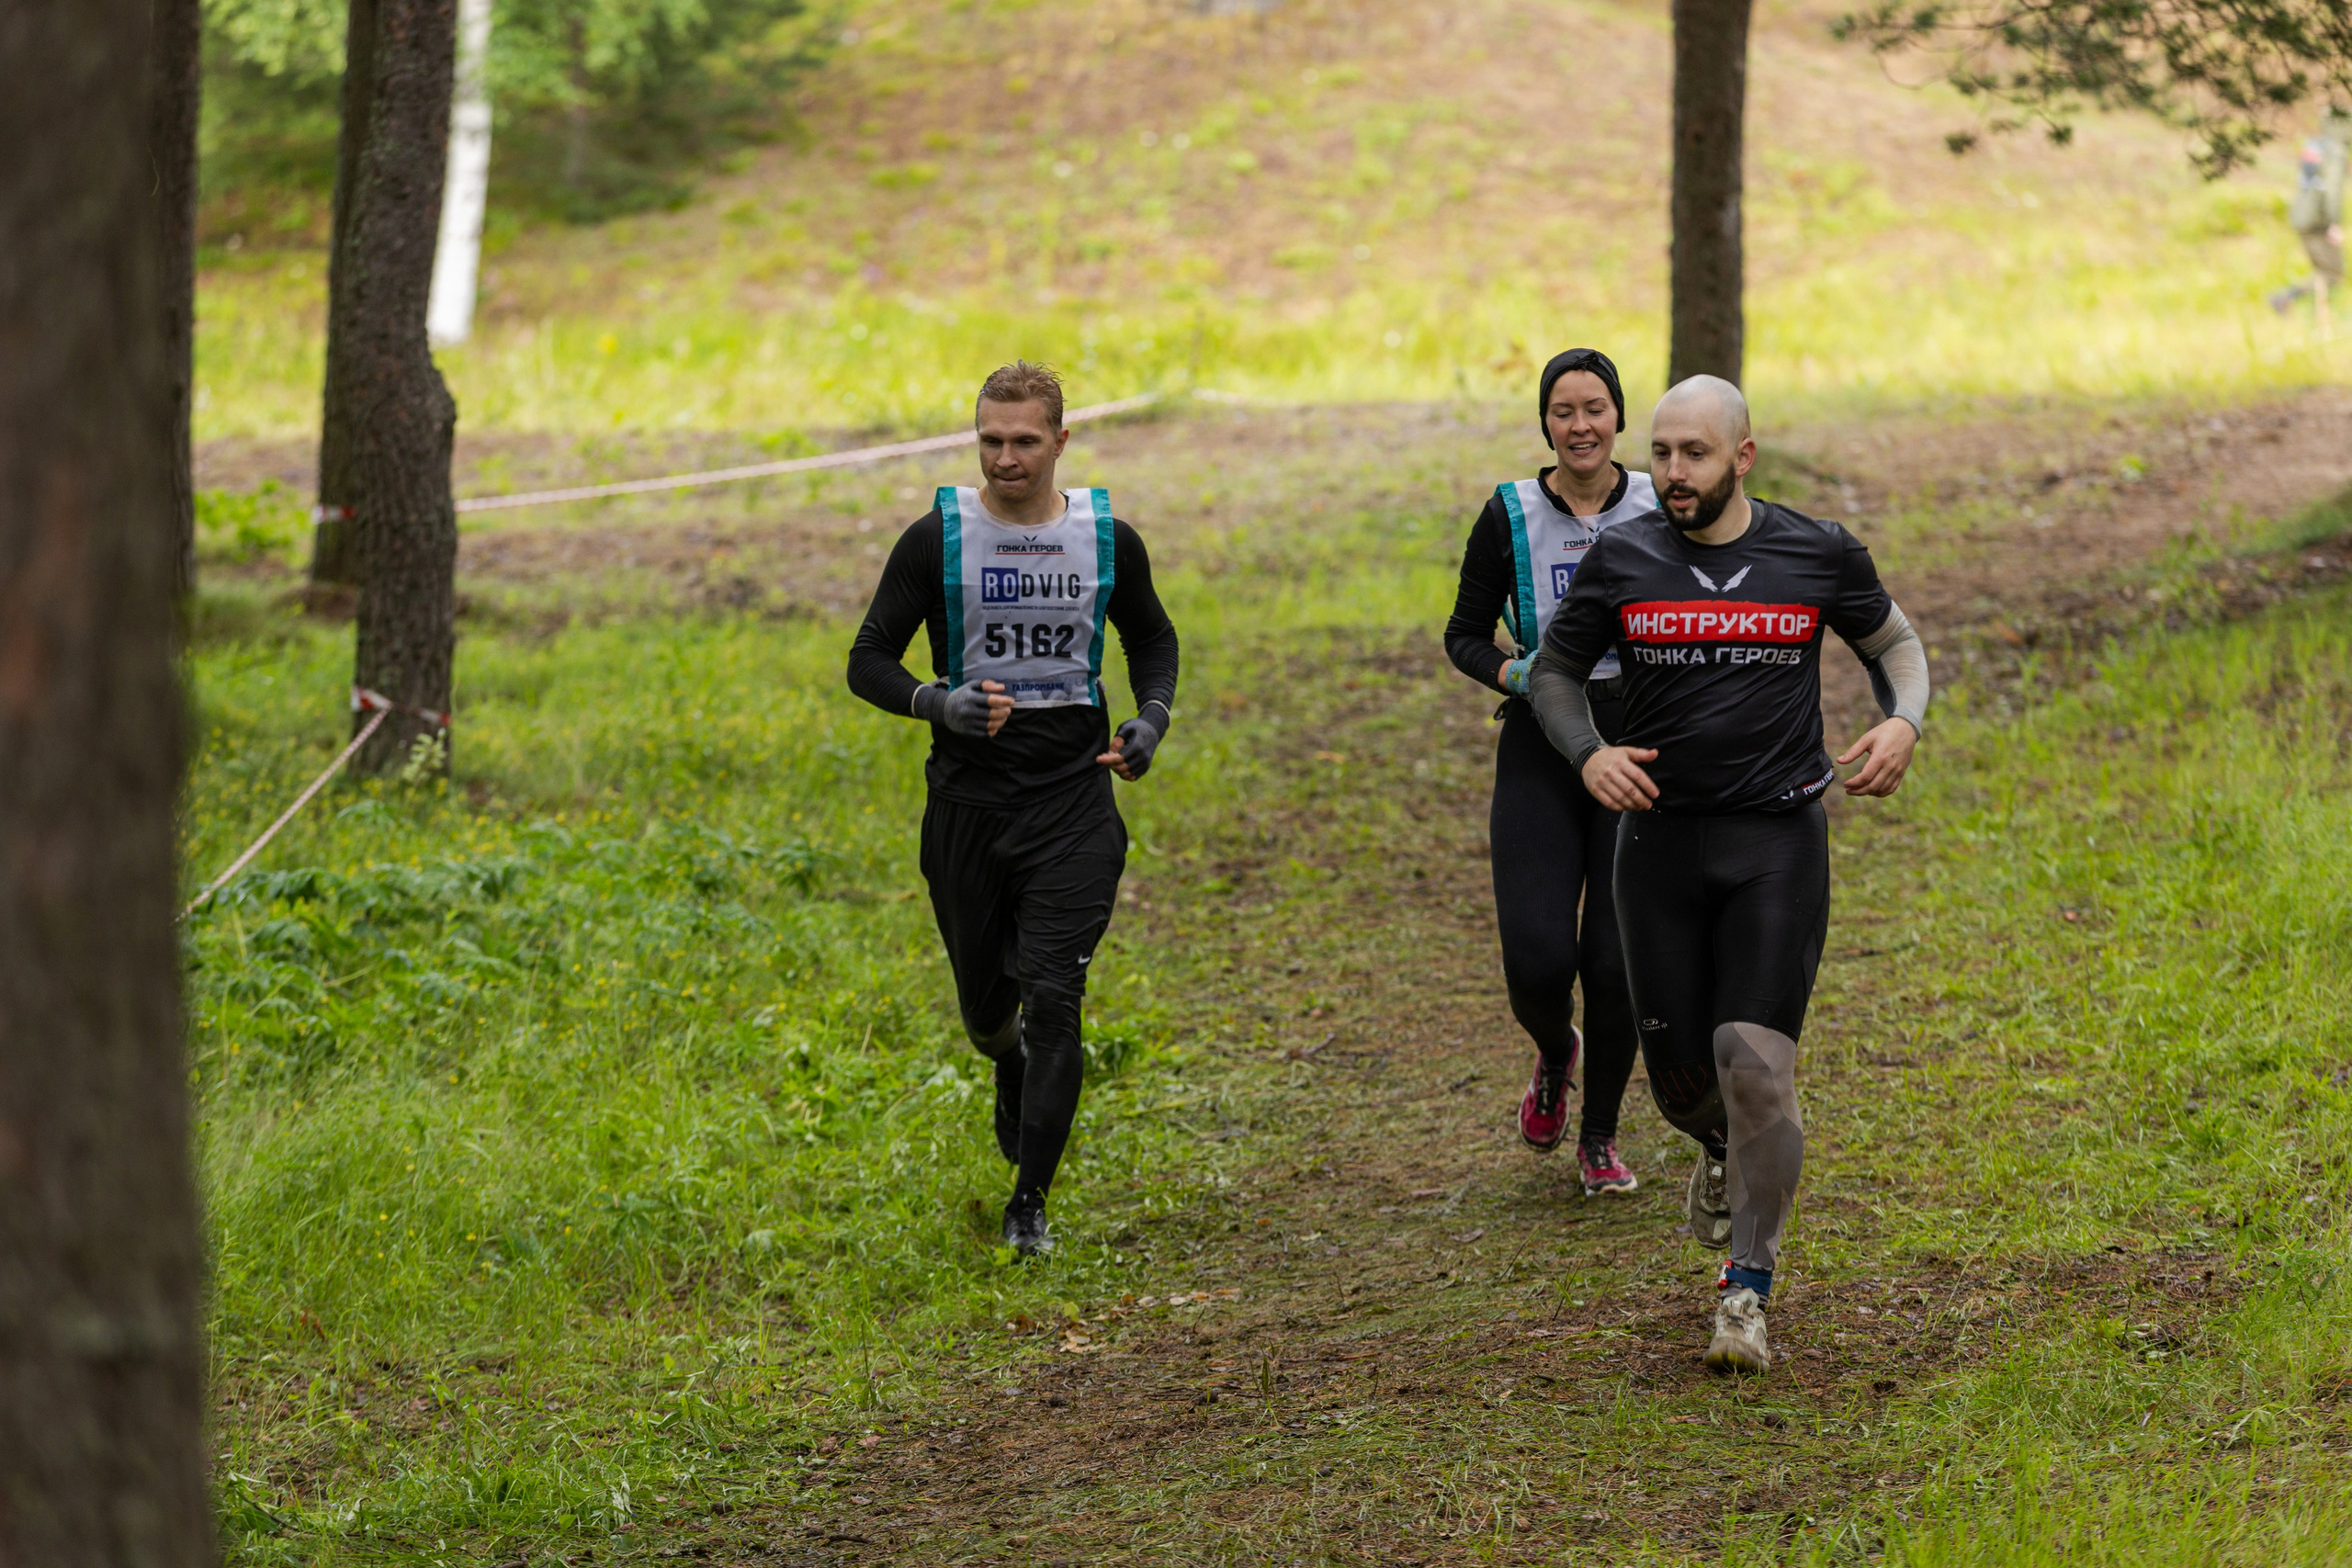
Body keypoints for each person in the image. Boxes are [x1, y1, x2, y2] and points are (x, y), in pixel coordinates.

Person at [1528, 375, 1929, 1375]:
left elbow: (1895, 643)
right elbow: (1555, 672)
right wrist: (1587, 752)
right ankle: (1715, 1147)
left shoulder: (1815, 551)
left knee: (1755, 1067)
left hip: (1775, 842)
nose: (1672, 472)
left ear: (1742, 457)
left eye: (1694, 454)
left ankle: (1746, 1289)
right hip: (1657, 848)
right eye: (1661, 453)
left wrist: (1902, 721)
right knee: (1682, 1089)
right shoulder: (1622, 558)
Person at [846, 361, 1179, 1258]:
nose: (1005, 458)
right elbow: (868, 657)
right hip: (968, 808)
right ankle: (1006, 1062)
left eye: (1025, 441)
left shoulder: (1105, 539)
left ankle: (1028, 1204)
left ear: (1060, 441)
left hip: (1072, 805)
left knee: (1055, 999)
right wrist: (937, 703)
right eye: (990, 440)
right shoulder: (937, 540)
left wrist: (1149, 721)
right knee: (987, 1014)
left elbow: (1151, 637)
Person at [1443, 349, 1652, 1197]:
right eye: (1563, 411)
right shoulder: (1508, 514)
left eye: (1595, 408)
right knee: (1537, 961)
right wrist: (1515, 673)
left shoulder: (1658, 504)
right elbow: (1463, 634)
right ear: (1545, 423)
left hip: (1638, 747)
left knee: (1614, 960)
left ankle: (1599, 1136)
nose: (1581, 425)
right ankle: (1555, 1047)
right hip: (1542, 743)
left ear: (1618, 416)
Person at [2270, 106, 2350, 331]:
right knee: (2332, 274)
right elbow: (2331, 190)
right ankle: (2289, 302)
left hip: (2302, 214)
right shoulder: (2335, 150)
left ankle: (2312, 315)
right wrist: (2334, 223)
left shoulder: (2314, 145)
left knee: (2324, 273)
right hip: (2318, 220)